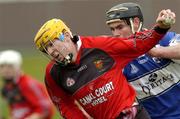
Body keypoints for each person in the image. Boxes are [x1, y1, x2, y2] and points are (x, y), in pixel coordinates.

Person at [33, 9, 175, 119]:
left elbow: (137, 44)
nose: (51, 51)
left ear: (66, 34)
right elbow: (64, 105)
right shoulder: (52, 73)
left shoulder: (98, 45)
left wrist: (160, 28)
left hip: (132, 114)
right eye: (46, 49)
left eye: (51, 44)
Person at [106, 2, 180, 119]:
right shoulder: (117, 61)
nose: (116, 34)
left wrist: (156, 52)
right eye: (112, 29)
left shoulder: (162, 39)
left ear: (135, 22)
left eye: (120, 27)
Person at [0, 50, 54, 119]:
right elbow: (16, 110)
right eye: (2, 67)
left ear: (18, 67)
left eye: (10, 66)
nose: (5, 70)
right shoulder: (7, 88)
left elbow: (46, 109)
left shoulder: (28, 84)